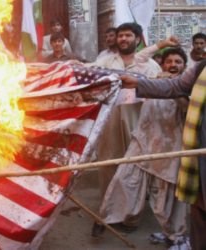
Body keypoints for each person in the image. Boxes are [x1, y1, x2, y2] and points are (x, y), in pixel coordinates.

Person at [94, 38, 191, 249]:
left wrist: (170, 86)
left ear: (185, 66)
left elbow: (184, 105)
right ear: (162, 64)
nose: (172, 65)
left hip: (169, 149)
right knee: (124, 181)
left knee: (165, 196)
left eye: (178, 62)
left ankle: (175, 236)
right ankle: (107, 218)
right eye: (168, 61)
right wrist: (163, 43)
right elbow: (139, 57)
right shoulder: (152, 77)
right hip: (142, 141)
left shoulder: (187, 86)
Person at [119, 59, 206, 250]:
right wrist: (138, 83)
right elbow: (177, 86)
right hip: (198, 154)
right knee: (200, 213)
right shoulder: (201, 68)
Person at [88, 23, 162, 206]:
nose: (123, 39)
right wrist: (74, 66)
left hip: (139, 122)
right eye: (120, 35)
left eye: (128, 35)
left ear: (137, 39)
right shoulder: (106, 62)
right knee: (107, 163)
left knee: (135, 166)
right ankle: (107, 208)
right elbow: (90, 70)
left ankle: (131, 215)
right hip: (110, 122)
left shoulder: (150, 66)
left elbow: (160, 93)